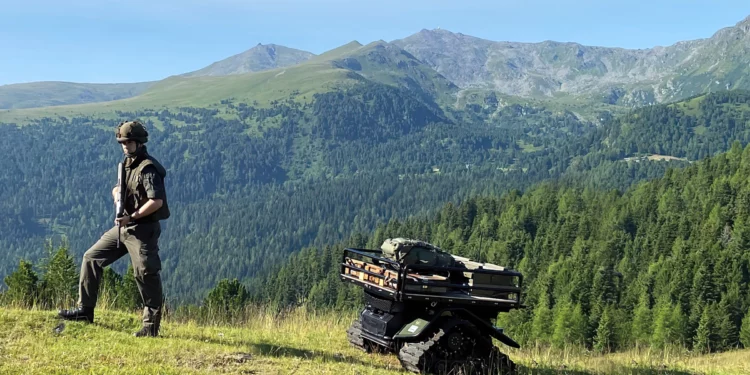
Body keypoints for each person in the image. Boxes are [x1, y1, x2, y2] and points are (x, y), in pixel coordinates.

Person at [58, 120, 170, 337]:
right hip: (124, 227)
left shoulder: (148, 168)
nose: (124, 145)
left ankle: (150, 327)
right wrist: (116, 194)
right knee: (91, 258)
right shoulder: (128, 164)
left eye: (128, 142)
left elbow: (156, 202)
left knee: (146, 274)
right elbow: (119, 187)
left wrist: (132, 217)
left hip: (142, 230)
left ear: (138, 142)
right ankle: (85, 310)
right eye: (122, 142)